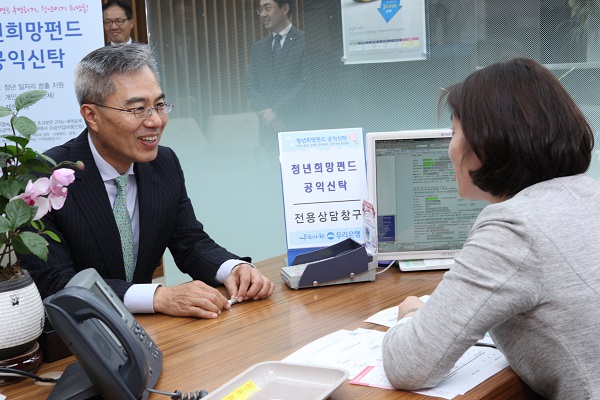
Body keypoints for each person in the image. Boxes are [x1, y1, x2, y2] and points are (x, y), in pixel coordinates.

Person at [382, 58, 600, 399]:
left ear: (482, 145)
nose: (449, 148)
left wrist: (411, 312)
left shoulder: (515, 227)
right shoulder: (588, 193)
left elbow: (409, 364)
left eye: (454, 132)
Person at [19, 44, 275, 319]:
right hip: (75, 339)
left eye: (159, 105)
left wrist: (233, 268)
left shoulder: (163, 164)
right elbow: (56, 283)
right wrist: (158, 296)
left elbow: (190, 242)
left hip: (148, 334)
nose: (155, 121)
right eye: (138, 109)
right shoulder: (45, 179)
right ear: (91, 116)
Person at [245, 0, 306, 149]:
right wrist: (268, 116)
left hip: (297, 124)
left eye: (267, 8)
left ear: (284, 9)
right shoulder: (258, 47)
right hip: (268, 129)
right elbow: (250, 85)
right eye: (260, 10)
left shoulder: (304, 40)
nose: (263, 14)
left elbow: (306, 83)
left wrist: (277, 112)